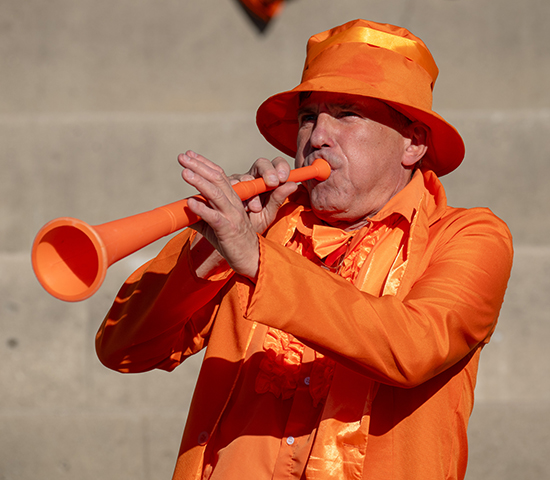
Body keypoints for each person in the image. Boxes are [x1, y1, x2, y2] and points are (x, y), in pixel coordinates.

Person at [95, 19, 513, 480]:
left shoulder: (473, 235)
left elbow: (414, 348)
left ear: (413, 143)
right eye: (309, 116)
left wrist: (257, 262)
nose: (316, 137)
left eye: (348, 113)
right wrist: (209, 251)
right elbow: (122, 350)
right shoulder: (256, 229)